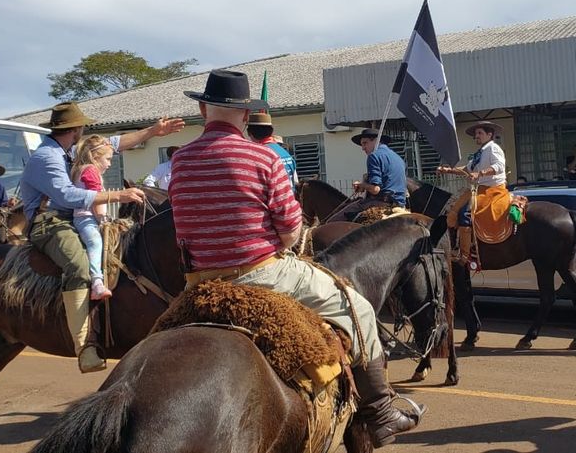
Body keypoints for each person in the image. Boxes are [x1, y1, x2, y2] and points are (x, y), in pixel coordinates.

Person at [169, 70, 424, 448]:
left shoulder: (180, 160)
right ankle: (381, 413)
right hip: (261, 273)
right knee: (359, 308)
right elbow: (290, 232)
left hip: (199, 281)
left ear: (204, 109)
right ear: (246, 115)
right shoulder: (264, 157)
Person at [20, 101, 183, 373]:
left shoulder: (70, 149)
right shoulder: (47, 157)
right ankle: (85, 345)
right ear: (76, 128)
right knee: (79, 267)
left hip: (77, 217)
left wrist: (152, 132)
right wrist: (117, 195)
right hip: (49, 222)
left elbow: (113, 144)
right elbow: (66, 196)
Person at [440, 121, 508, 230]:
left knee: (464, 214)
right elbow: (467, 169)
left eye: (480, 133)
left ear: (489, 135)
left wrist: (479, 174)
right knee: (453, 208)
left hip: (492, 190)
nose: (476, 136)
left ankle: (469, 240)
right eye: (476, 134)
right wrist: (448, 170)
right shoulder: (480, 152)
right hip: (479, 190)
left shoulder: (493, 148)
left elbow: (499, 166)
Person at [71, 135, 115, 301]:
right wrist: (103, 219)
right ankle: (96, 282)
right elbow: (96, 199)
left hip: (88, 217)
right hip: (86, 218)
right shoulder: (90, 170)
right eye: (108, 159)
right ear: (96, 157)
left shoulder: (81, 169)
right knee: (95, 242)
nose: (110, 164)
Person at [334, 128, 407, 222]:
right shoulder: (398, 158)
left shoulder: (373, 156)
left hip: (381, 203)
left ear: (376, 140)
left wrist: (361, 185)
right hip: (400, 204)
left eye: (365, 143)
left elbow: (375, 189)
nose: (363, 148)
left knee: (334, 221)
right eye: (362, 144)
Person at [246, 113, 298, 187]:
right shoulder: (285, 153)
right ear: (271, 131)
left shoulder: (258, 156)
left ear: (249, 133)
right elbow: (295, 181)